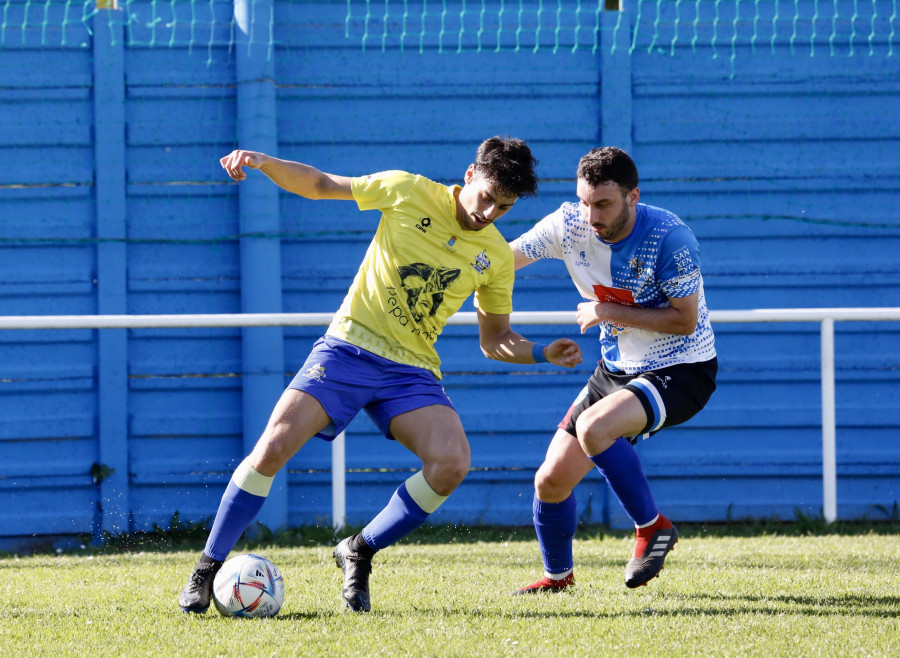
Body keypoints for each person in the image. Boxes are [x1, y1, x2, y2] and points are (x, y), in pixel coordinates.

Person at [177, 137, 583, 614]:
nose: (490, 212)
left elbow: (495, 339)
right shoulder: (407, 191)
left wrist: (540, 352)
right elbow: (321, 184)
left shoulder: (494, 256)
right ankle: (205, 570)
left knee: (451, 463)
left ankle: (359, 550)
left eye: (504, 206)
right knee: (271, 448)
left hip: (410, 370)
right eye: (487, 196)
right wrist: (265, 162)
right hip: (349, 347)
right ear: (470, 175)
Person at [509, 146, 717, 593]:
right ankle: (558, 578)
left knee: (594, 427)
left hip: (682, 366)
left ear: (633, 197)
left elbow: (684, 320)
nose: (591, 215)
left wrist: (604, 311)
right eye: (584, 201)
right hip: (617, 369)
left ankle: (652, 527)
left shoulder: (670, 237)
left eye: (602, 204)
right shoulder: (568, 224)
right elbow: (501, 261)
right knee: (550, 480)